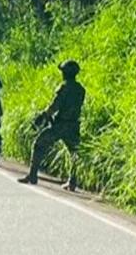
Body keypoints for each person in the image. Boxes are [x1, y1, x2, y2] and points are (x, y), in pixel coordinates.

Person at [19, 60, 86, 190]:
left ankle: (32, 175)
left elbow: (56, 105)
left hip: (60, 125)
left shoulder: (64, 87)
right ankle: (72, 182)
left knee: (39, 145)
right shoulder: (80, 89)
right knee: (75, 153)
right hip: (73, 126)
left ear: (65, 73)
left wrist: (44, 115)